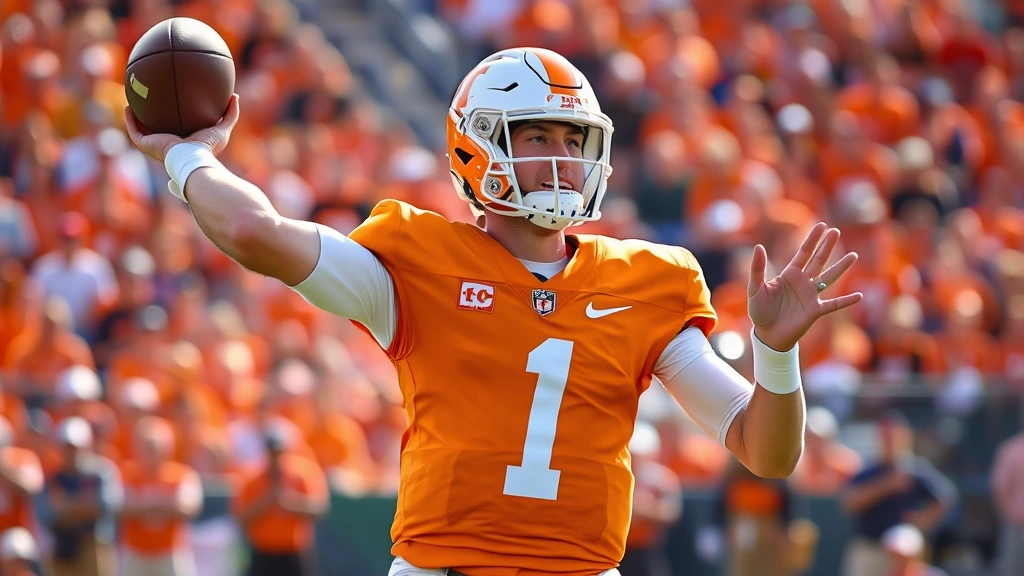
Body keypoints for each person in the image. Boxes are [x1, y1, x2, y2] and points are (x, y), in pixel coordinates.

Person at [126, 46, 862, 575]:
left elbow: (768, 452)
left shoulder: (650, 281)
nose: (561, 158)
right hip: (444, 567)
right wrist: (188, 157)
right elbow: (258, 233)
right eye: (535, 135)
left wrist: (775, 351)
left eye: (573, 139)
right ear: (476, 149)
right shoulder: (415, 262)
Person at [840, 412, 956, 576]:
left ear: (904, 437)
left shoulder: (914, 469)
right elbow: (849, 502)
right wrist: (887, 485)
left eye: (893, 436)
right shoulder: (867, 470)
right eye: (885, 437)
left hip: (902, 554)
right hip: (869, 549)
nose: (889, 441)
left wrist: (923, 520)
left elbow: (945, 496)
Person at [230, 423, 328, 576]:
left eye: (280, 452)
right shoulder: (252, 478)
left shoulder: (303, 474)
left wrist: (289, 503)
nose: (276, 457)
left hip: (295, 553)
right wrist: (268, 500)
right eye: (272, 452)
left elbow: (319, 509)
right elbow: (241, 518)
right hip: (263, 553)